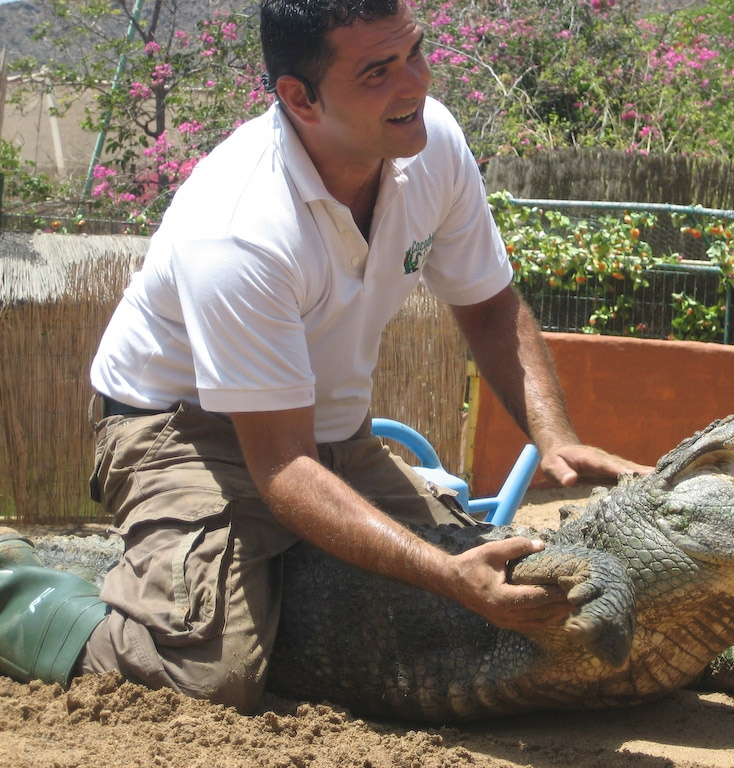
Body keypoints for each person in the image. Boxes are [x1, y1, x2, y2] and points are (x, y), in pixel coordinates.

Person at [0, 0, 648, 713]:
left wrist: (555, 439)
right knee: (210, 677)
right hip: (184, 435)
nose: (415, 83)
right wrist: (445, 573)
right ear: (299, 97)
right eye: (377, 71)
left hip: (330, 437)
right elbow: (282, 468)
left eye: (414, 52)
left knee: (511, 589)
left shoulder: (430, 142)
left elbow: (490, 307)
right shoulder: (238, 227)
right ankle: (19, 593)